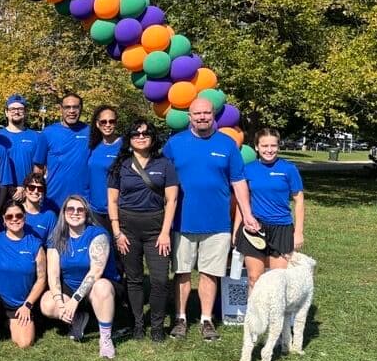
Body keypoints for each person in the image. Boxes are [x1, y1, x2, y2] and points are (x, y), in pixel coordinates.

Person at [163, 97, 260, 342]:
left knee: (210, 273)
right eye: (197, 114)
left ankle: (206, 320)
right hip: (181, 222)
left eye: (207, 113)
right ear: (189, 117)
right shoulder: (174, 144)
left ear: (213, 115)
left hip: (217, 223)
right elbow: (162, 180)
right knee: (182, 272)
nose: (202, 117)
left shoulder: (227, 144)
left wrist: (247, 214)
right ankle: (181, 317)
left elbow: (238, 181)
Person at [107, 120, 178, 342]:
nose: (141, 136)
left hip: (156, 228)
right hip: (128, 227)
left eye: (146, 133)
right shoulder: (120, 165)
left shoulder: (165, 164)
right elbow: (112, 200)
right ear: (129, 139)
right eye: (136, 133)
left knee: (159, 280)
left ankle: (157, 325)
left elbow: (172, 199)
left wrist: (165, 232)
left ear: (153, 137)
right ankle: (138, 323)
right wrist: (117, 232)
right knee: (135, 279)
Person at [39, 195, 122, 359]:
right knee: (47, 304)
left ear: (86, 213)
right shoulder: (56, 238)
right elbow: (53, 274)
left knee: (101, 287)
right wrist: (60, 303)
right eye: (70, 209)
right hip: (70, 287)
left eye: (80, 209)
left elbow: (95, 272)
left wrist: (74, 300)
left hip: (99, 289)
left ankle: (105, 338)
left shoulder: (98, 234)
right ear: (63, 213)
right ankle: (77, 318)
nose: (75, 213)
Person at [233, 128, 305, 292]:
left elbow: (299, 200)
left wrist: (298, 232)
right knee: (254, 279)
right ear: (257, 147)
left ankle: (275, 318)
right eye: (264, 146)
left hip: (282, 228)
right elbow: (241, 202)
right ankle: (254, 317)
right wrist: (237, 230)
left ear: (278, 146)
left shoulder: (289, 169)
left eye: (273, 145)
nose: (269, 150)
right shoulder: (248, 169)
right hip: (254, 229)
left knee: (277, 281)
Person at [0, 200, 47, 348]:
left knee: (25, 343)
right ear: (3, 220)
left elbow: (41, 279)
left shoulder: (35, 245)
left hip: (19, 305)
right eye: (9, 216)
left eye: (18, 216)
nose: (14, 219)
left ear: (24, 217)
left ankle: (9, 321)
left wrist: (27, 305)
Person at [0, 94, 47, 202]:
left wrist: (25, 187)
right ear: (6, 112)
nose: (16, 112)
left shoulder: (36, 137)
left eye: (20, 109)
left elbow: (39, 169)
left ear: (25, 112)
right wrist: (10, 189)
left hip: (28, 194)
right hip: (1, 194)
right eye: (12, 109)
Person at [41, 92, 90, 211]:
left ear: (81, 108)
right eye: (67, 107)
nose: (71, 111)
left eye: (76, 107)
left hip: (83, 201)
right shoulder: (47, 133)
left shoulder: (91, 132)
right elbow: (38, 169)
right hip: (53, 201)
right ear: (61, 109)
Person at [86, 105, 122, 233]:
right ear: (97, 124)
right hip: (95, 210)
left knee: (118, 250)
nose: (107, 125)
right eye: (103, 122)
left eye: (111, 121)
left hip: (117, 211)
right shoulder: (93, 146)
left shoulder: (124, 147)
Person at [21, 171, 57, 243]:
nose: (36, 191)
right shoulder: (15, 211)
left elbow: (52, 246)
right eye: (32, 187)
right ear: (25, 190)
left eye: (40, 189)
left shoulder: (50, 216)